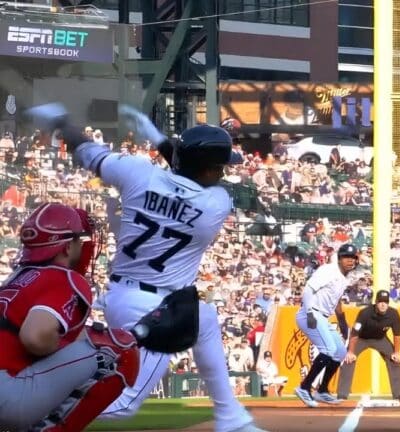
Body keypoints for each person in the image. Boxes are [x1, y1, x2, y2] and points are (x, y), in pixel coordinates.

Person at [26, 103, 265, 431]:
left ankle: (232, 419)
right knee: (123, 403)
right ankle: (29, 414)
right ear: (210, 170)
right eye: (220, 167)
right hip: (158, 311)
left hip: (126, 295)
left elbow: (86, 150)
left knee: (205, 318)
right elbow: (191, 180)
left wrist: (61, 121)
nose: (223, 171)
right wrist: (163, 142)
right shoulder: (216, 204)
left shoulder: (138, 172)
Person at [0, 203, 140, 431]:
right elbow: (35, 338)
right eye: (78, 239)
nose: (83, 244)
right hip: (7, 396)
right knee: (118, 348)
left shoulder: (12, 281)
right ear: (66, 247)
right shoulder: (63, 277)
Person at [293, 244, 357, 407]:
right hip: (311, 312)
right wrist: (309, 312)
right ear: (339, 258)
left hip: (323, 316)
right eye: (346, 257)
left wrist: (342, 322)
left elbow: (336, 303)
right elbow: (308, 289)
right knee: (328, 350)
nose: (350, 260)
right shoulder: (329, 270)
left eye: (353, 257)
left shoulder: (344, 278)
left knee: (340, 352)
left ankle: (322, 391)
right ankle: (304, 387)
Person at [336, 290, 400, 401]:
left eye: (386, 302)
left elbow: (397, 334)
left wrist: (396, 352)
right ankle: (342, 395)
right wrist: (350, 352)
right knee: (348, 359)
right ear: (376, 302)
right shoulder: (365, 313)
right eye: (380, 302)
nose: (383, 305)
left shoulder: (393, 314)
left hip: (380, 339)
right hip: (361, 338)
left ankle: (399, 395)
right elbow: (354, 333)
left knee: (395, 360)